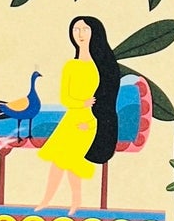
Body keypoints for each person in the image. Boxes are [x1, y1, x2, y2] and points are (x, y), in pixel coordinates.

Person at [37, 15, 122, 208]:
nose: (80, 34)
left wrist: (91, 121)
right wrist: (82, 103)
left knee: (70, 160)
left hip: (91, 121)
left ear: (95, 33)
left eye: (85, 29)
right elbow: (65, 98)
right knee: (59, 160)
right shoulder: (71, 65)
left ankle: (73, 201)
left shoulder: (103, 66)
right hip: (72, 118)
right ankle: (49, 200)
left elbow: (106, 100)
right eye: (76, 29)